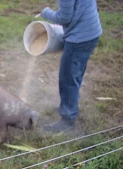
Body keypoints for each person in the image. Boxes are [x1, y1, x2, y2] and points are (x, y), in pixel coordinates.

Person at [40, 0, 102, 132]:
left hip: (79, 38)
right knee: (75, 73)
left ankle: (67, 121)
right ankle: (71, 105)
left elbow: (64, 18)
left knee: (68, 78)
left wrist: (46, 12)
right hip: (91, 32)